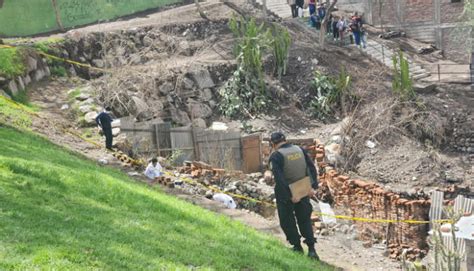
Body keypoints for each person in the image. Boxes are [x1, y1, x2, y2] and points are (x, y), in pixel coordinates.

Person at [269, 132, 319, 260]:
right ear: (285, 140)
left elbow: (279, 179)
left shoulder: (276, 156)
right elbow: (311, 168)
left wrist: (290, 195)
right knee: (305, 219)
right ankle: (312, 250)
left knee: (287, 220)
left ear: (273, 144)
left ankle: (297, 246)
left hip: (286, 195)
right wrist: (312, 187)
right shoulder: (300, 150)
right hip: (303, 190)